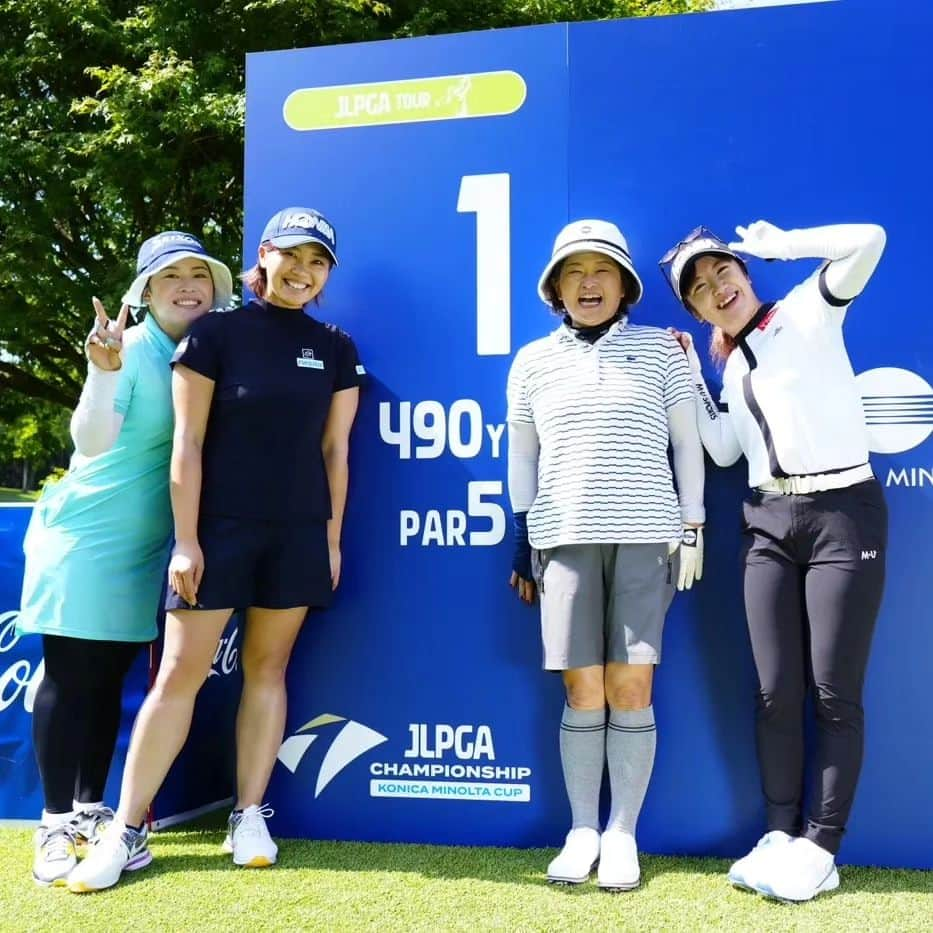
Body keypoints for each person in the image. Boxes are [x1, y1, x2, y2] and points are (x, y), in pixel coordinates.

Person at [69, 207, 365, 893]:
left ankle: (248, 814)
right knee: (178, 676)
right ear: (264, 256)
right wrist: (187, 538)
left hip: (296, 532)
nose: (302, 271)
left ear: (326, 274)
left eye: (317, 261)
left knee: (268, 671)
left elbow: (334, 451)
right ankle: (126, 830)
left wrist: (329, 538)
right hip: (217, 532)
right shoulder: (213, 335)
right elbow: (188, 444)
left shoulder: (335, 346)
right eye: (290, 256)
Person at [660, 220, 887, 902]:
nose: (715, 288)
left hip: (841, 512)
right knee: (772, 691)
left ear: (743, 272)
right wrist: (692, 377)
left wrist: (782, 243)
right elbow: (726, 450)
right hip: (764, 521)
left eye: (720, 272)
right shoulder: (729, 363)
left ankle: (821, 846)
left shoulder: (807, 309)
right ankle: (780, 834)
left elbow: (869, 240)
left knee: (831, 693)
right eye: (699, 289)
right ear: (696, 310)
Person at [17, 232, 232, 887]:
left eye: (199, 273)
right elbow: (93, 437)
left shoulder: (208, 351)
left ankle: (88, 808)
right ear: (146, 291)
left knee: (109, 678)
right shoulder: (131, 349)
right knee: (70, 677)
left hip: (144, 549)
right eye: (172, 276)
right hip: (85, 538)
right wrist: (100, 371)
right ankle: (53, 822)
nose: (188, 284)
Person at [507, 219, 705, 891]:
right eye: (573, 271)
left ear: (624, 285)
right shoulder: (531, 361)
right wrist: (519, 534)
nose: (587, 283)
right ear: (554, 287)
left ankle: (621, 832)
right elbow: (523, 456)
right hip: (560, 536)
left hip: (647, 534)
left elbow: (687, 444)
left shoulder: (660, 350)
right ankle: (581, 829)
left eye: (601, 271)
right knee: (580, 686)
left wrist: (692, 525)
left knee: (631, 685)